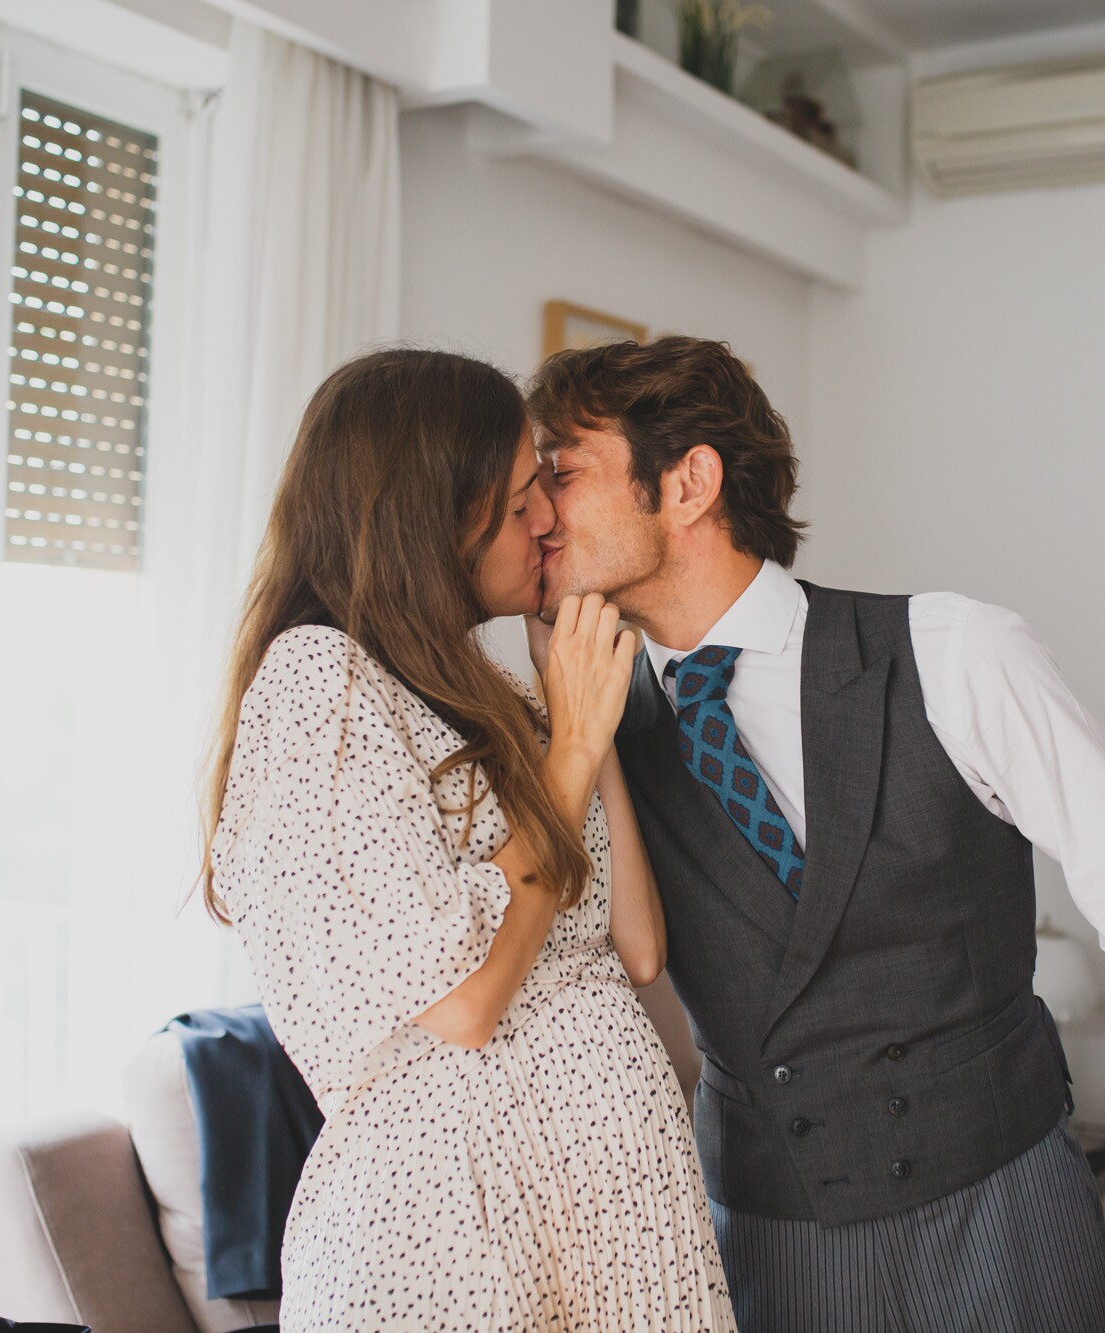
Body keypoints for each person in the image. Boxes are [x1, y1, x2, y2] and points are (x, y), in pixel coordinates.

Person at [526, 336, 1105, 1333]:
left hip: (1009, 1217)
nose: (538, 511)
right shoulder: (588, 738)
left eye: (562, 474)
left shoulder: (956, 652)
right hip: (771, 1250)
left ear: (688, 484)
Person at [202, 348, 737, 1332]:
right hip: (458, 1233)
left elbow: (637, 944)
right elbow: (465, 999)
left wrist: (578, 717)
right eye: (523, 495)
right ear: (435, 512)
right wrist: (569, 748)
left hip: (610, 1214)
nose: (545, 521)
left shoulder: (492, 700)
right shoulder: (320, 680)